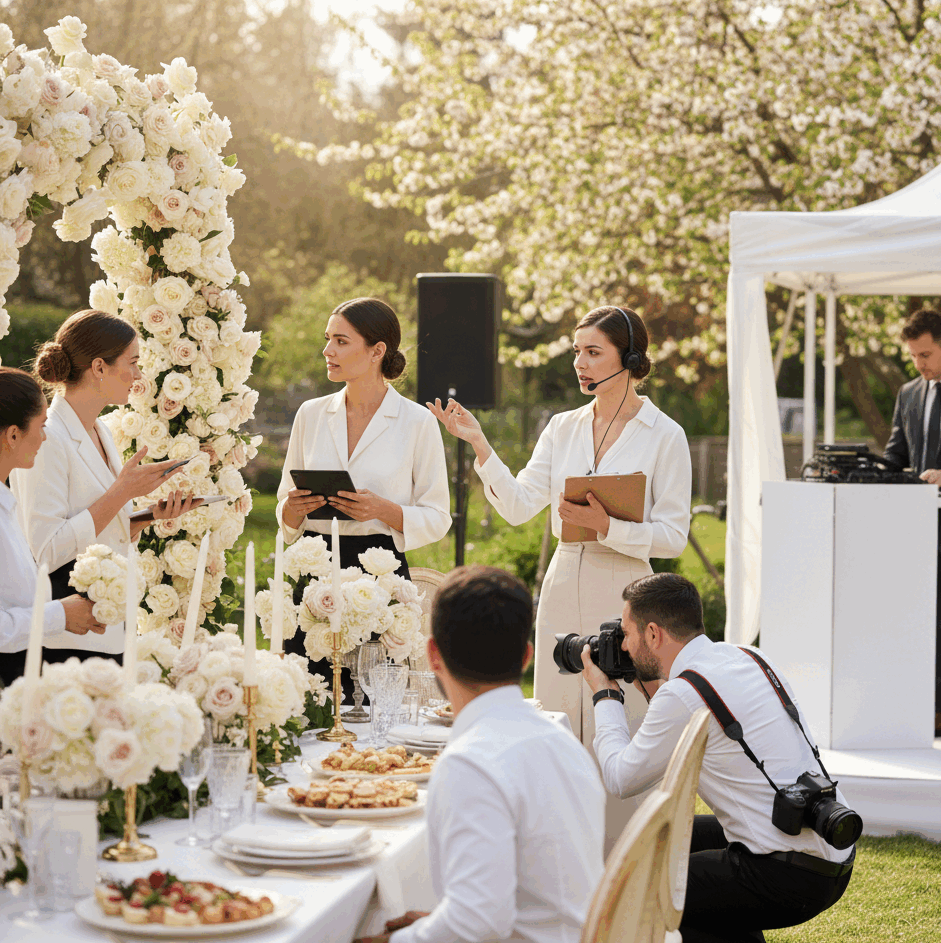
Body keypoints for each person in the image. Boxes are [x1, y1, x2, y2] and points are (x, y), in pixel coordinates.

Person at [428, 305, 690, 749]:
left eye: (593, 352)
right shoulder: (561, 427)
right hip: (563, 583)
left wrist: (606, 526)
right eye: (576, 351)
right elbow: (517, 506)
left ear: (628, 359)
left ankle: (622, 821)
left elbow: (673, 535)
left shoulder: (665, 434)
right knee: (558, 712)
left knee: (622, 717)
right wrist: (480, 442)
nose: (579, 363)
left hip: (628, 591)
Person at [582, 572, 856, 943]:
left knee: (648, 889)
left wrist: (605, 696)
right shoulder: (749, 655)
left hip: (790, 873)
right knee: (658, 837)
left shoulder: (682, 693)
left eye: (626, 634)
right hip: (832, 848)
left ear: (652, 634)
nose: (624, 647)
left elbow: (620, 778)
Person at [355, 566, 605, 943]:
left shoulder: (469, 763)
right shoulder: (564, 743)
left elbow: (480, 923)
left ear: (432, 655)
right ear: (526, 656)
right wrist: (440, 920)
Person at [5, 310, 193, 679]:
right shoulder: (47, 438)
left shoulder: (102, 431)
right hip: (66, 635)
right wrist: (122, 492)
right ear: (99, 367)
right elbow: (44, 548)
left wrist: (146, 515)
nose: (139, 376)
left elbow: (97, 526)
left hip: (110, 626)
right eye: (133, 363)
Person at [276, 297, 450, 677]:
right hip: (314, 573)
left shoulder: (417, 422)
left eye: (340, 341)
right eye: (328, 340)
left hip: (381, 575)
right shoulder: (310, 414)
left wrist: (383, 510)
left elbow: (438, 516)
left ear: (377, 351)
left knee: (374, 702)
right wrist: (294, 509)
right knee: (310, 699)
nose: (327, 351)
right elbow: (284, 511)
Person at [0, 368, 105, 664]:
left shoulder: (7, 504)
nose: (45, 437)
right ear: (13, 434)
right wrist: (59, 614)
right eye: (42, 426)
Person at [882, 307, 941, 736]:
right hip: (914, 533)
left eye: (926, 354)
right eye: (915, 356)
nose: (919, 364)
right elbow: (895, 456)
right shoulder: (908, 394)